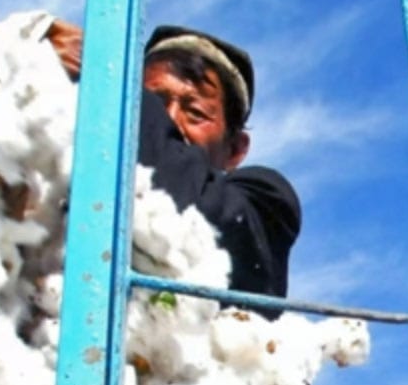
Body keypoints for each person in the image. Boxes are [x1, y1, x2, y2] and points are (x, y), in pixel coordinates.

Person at [46, 19, 300, 315]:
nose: (169, 120)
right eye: (154, 101)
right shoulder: (72, 181)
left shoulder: (265, 203)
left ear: (235, 149)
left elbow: (180, 199)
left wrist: (106, 76)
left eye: (195, 112)